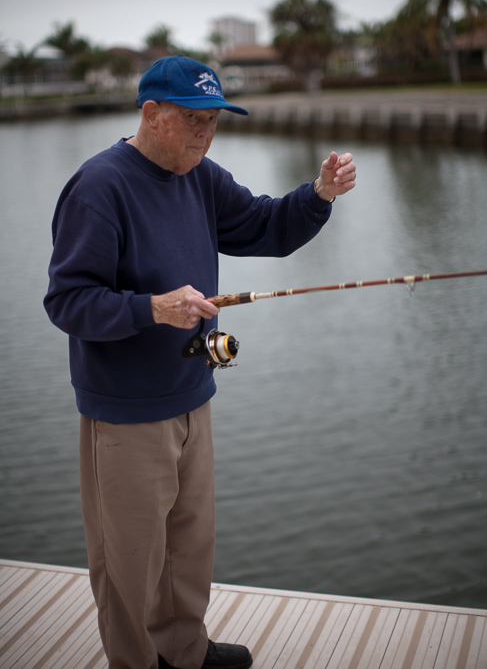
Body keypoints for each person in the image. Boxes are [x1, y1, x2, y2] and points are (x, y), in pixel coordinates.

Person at [44, 54, 356, 669]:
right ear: (152, 114)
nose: (205, 134)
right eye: (193, 120)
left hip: (194, 393)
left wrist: (317, 195)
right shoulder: (99, 186)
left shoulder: (201, 175)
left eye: (213, 121)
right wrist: (151, 308)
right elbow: (67, 301)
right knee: (129, 561)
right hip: (127, 413)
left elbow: (266, 225)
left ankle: (183, 652)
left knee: (189, 546)